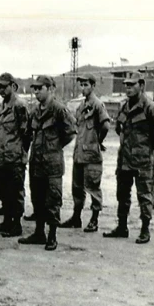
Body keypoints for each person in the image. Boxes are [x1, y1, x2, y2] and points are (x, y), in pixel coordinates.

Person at [103, 72, 154, 244]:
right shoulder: (124, 106)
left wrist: (145, 146)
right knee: (122, 194)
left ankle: (145, 229)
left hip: (142, 161)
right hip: (124, 159)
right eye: (126, 85)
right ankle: (122, 227)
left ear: (141, 85)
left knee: (144, 195)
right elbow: (119, 127)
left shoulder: (150, 107)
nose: (128, 88)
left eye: (132, 84)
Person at [19, 75, 76, 251]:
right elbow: (28, 134)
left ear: (50, 89)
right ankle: (39, 233)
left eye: (39, 88)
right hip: (36, 162)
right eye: (34, 89)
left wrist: (55, 147)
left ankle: (52, 235)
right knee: (37, 198)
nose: (35, 92)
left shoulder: (59, 110)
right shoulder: (35, 111)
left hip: (52, 164)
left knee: (53, 200)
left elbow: (70, 133)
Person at [61, 73, 111, 232]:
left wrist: (98, 141)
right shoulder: (82, 106)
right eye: (81, 85)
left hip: (91, 155)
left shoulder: (97, 104)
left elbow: (106, 125)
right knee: (77, 187)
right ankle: (76, 217)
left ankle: (94, 220)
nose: (83, 88)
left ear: (93, 86)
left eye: (86, 85)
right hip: (79, 153)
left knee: (93, 186)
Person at [0, 72, 29, 237]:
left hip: (14, 157)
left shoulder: (20, 106)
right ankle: (7, 221)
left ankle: (16, 224)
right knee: (3, 190)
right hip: (0, 156)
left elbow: (26, 133)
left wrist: (21, 152)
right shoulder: (1, 106)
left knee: (15, 190)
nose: (1, 90)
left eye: (4, 86)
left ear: (13, 86)